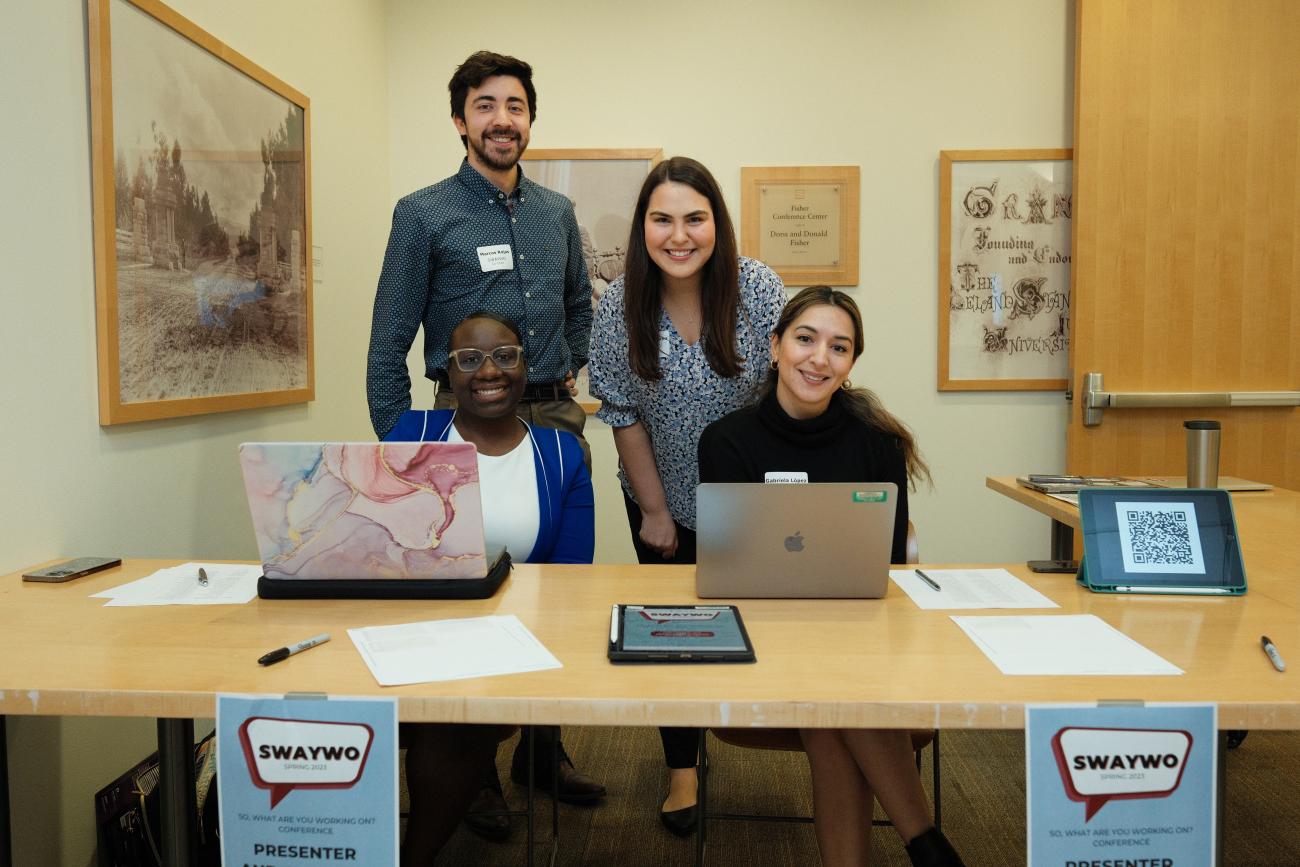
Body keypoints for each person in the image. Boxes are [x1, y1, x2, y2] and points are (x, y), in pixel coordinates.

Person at [698, 286, 963, 867]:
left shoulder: (877, 442)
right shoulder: (726, 441)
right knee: (834, 695)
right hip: (762, 637)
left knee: (831, 699)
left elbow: (887, 565)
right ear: (774, 347)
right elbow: (726, 566)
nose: (820, 358)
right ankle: (925, 838)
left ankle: (914, 847)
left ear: (851, 363)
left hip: (859, 637)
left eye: (839, 347)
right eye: (805, 339)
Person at [587, 156, 786, 836]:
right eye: (662, 218)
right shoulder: (617, 304)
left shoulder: (758, 288)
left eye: (694, 218)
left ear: (716, 222)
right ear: (644, 226)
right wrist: (654, 512)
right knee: (670, 633)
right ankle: (681, 767)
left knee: (751, 627)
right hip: (657, 491)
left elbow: (783, 399)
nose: (679, 235)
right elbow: (621, 412)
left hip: (748, 500)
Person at [386, 312, 602, 861]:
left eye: (506, 356)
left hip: (514, 635)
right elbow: (378, 541)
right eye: (470, 359)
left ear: (526, 366)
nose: (490, 371)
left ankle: (413, 855)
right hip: (413, 624)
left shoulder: (561, 453)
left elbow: (571, 576)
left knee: (456, 716)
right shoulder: (412, 437)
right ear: (447, 373)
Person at [366, 50, 593, 454]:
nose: (502, 120)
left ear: (529, 121)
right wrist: (400, 446)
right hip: (462, 420)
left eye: (515, 107)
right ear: (460, 121)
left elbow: (578, 304)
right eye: (485, 106)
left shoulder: (558, 211)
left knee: (565, 519)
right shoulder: (421, 213)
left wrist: (568, 362)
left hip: (555, 419)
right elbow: (388, 342)